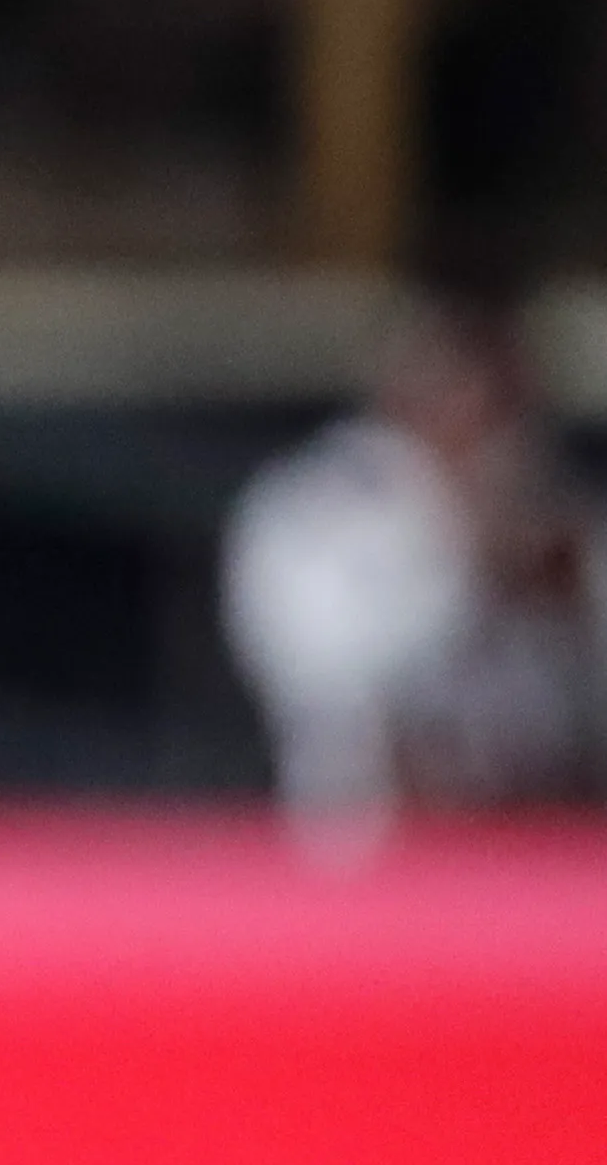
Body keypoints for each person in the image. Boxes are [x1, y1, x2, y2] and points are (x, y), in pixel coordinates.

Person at [225, 291, 607, 853]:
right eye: (451, 383)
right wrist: (461, 565)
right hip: (372, 852)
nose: (472, 410)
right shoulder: (318, 508)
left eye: (495, 394)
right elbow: (319, 675)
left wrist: (569, 594)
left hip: (542, 851)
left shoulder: (556, 514)